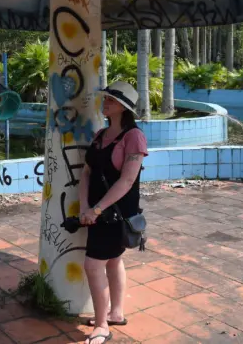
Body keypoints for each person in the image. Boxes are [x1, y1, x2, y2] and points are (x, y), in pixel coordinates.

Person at [79, 81, 148, 344]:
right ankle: (116, 313)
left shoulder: (134, 137)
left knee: (93, 265)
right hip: (96, 212)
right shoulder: (100, 136)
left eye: (110, 100)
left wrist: (96, 209)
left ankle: (101, 326)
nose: (105, 102)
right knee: (113, 261)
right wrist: (85, 207)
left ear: (123, 108)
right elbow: (87, 173)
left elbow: (127, 181)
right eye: (106, 98)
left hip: (115, 214)